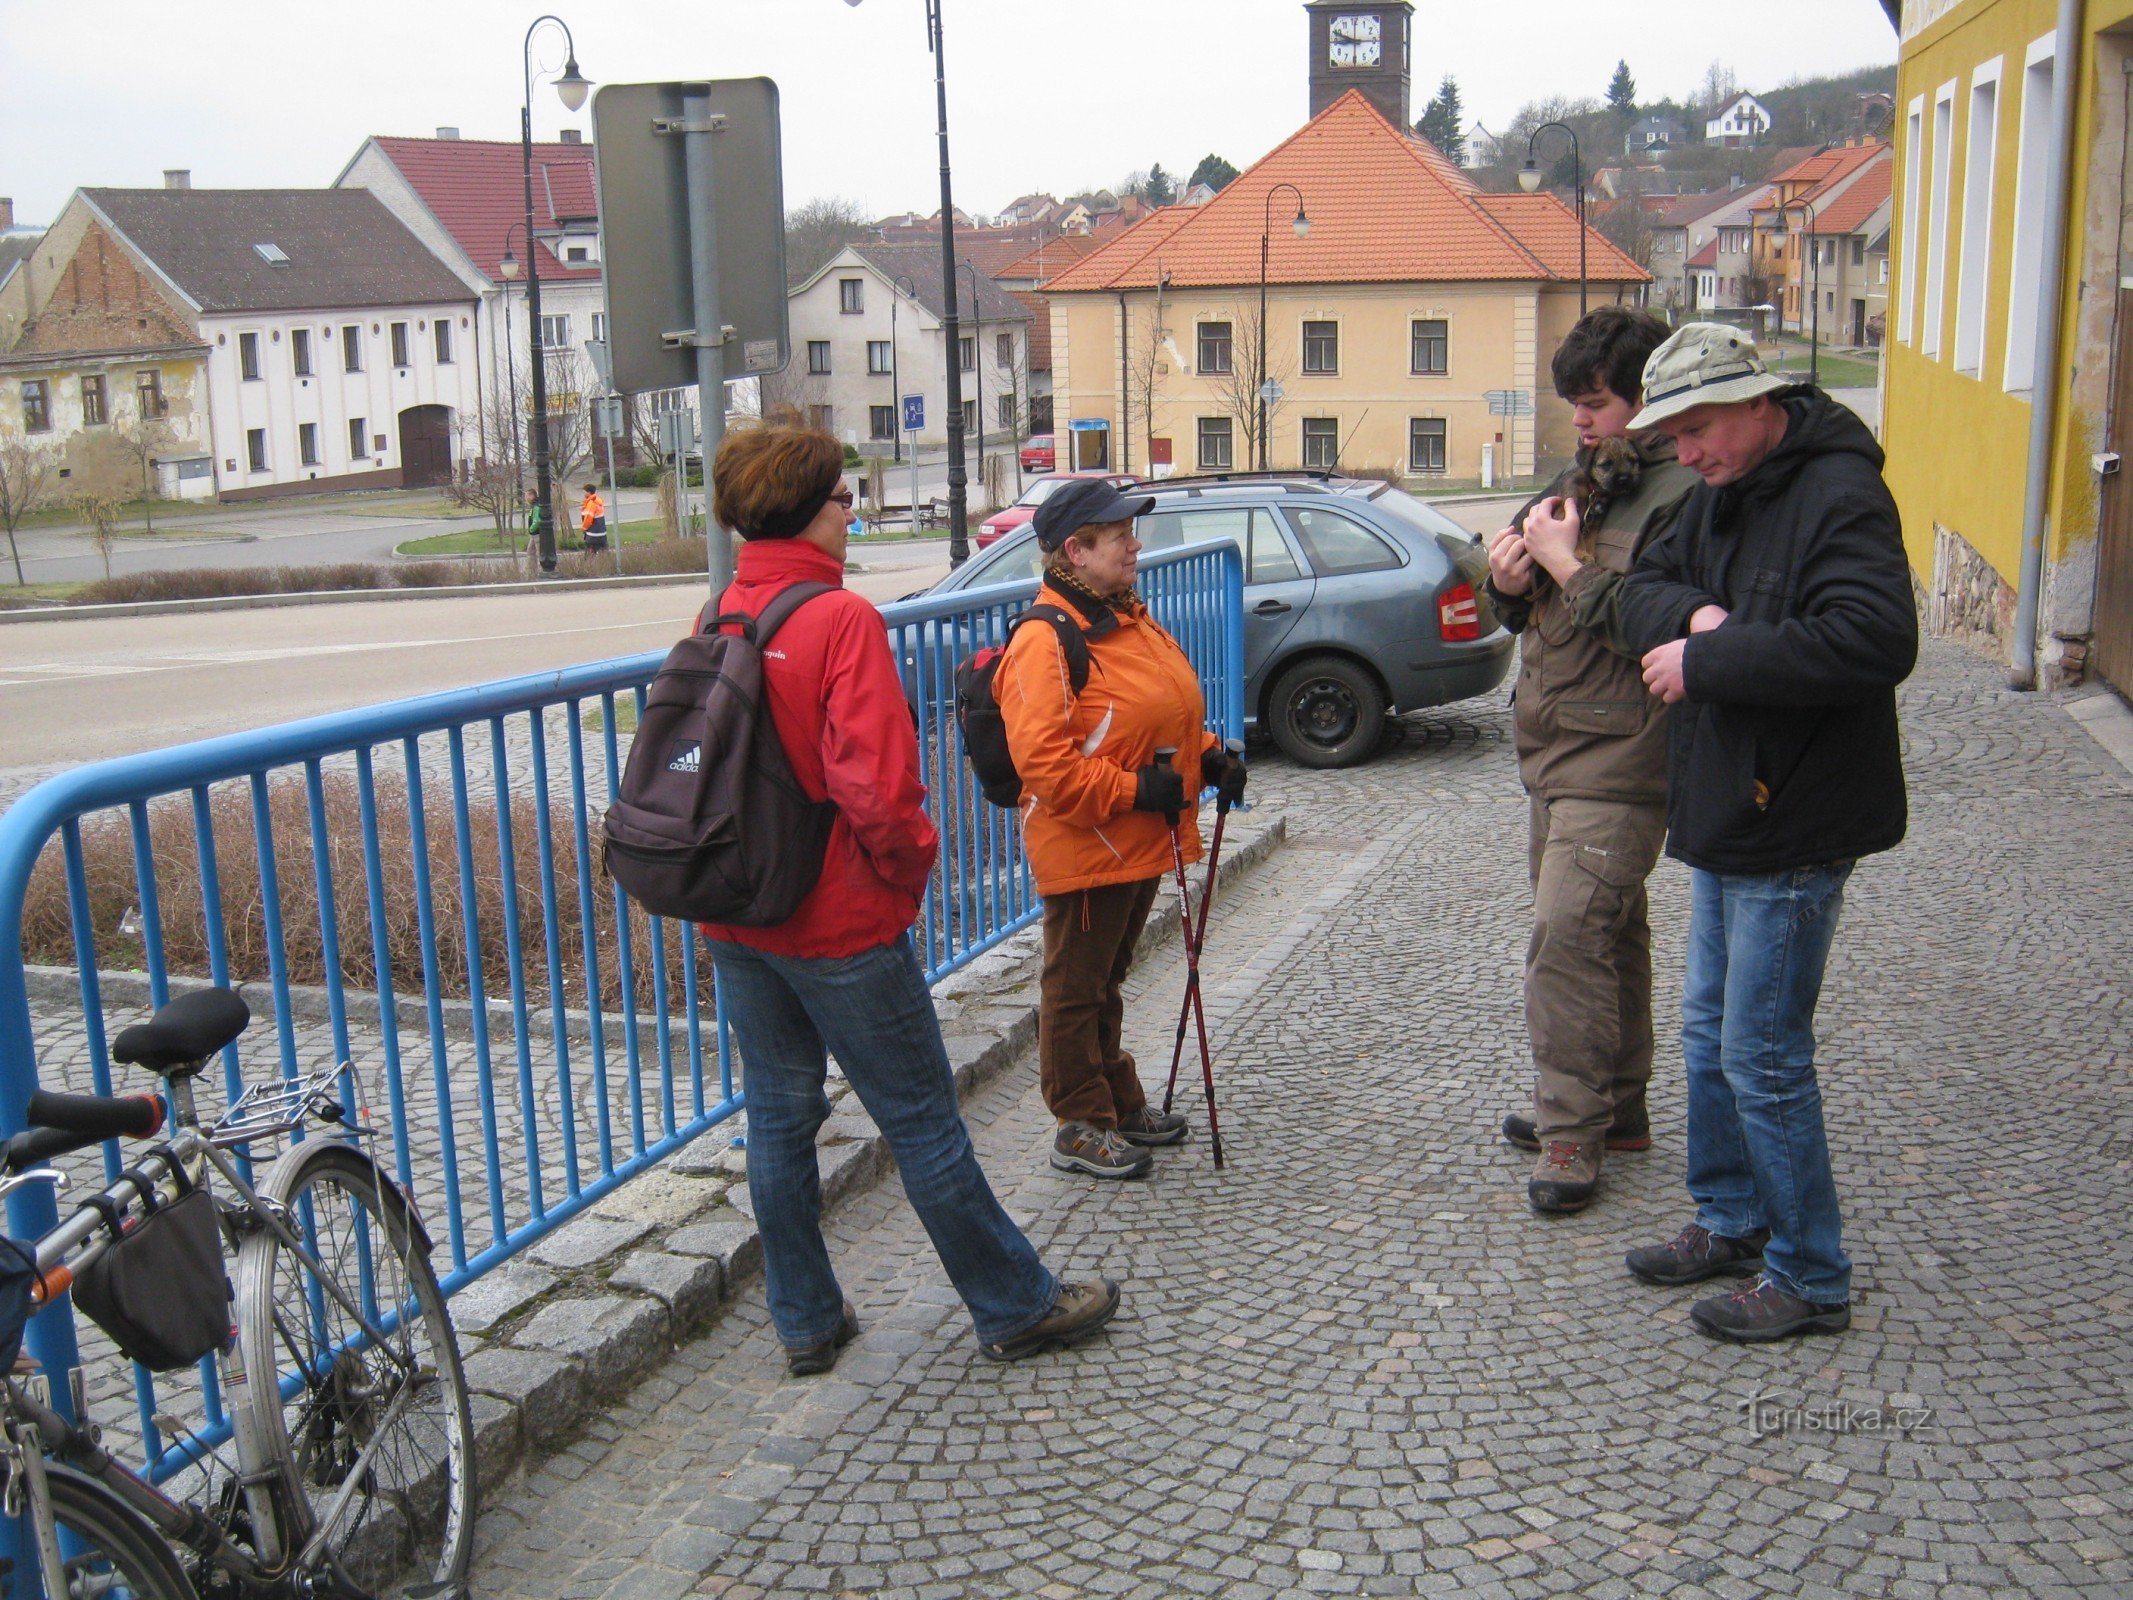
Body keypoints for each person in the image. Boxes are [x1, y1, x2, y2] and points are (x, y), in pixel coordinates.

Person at [695, 419, 1120, 1371]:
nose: (851, 510)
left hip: (738, 912)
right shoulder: (836, 619)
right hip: (836, 920)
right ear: (806, 511)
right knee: (922, 1119)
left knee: (776, 1115)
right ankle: (1013, 1303)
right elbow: (880, 794)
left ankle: (805, 1321)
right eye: (843, 497)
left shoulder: (722, 611)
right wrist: (906, 874)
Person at [1614, 324, 1916, 1343]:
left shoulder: (1839, 493)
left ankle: (1810, 1272)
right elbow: (1641, 592)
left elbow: (1876, 639)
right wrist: (1698, 618)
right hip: (1724, 810)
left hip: (1798, 818)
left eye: (1696, 430)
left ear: (1756, 403)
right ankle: (1732, 1216)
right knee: (1708, 1037)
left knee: (1764, 1054)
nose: (1685, 455)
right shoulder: (1717, 498)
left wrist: (1712, 662)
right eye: (1673, 438)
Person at [1484, 306, 1699, 1216]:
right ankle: (1622, 1110)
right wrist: (1507, 578)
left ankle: (1570, 1132)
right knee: (1612, 933)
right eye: (1572, 402)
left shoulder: (1686, 495)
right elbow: (1517, 584)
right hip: (1556, 749)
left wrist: (1567, 566)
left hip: (1624, 753)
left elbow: (1655, 621)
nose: (1580, 418)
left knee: (1566, 939)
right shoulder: (1587, 477)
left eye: (1596, 401)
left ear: (1648, 399)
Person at [995, 479, 1247, 1179]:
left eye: (1131, 531)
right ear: (1074, 551)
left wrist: (1207, 755)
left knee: (1106, 976)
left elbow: (1157, 718)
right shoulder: (1044, 640)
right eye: (1118, 536)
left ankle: (1117, 1098)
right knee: (1075, 984)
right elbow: (1045, 765)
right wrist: (1136, 789)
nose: (1135, 544)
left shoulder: (1124, 616)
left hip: (1132, 834)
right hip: (1087, 838)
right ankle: (1078, 1121)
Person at [579, 482, 609, 555]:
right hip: (602, 533)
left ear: (589, 492)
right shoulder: (597, 501)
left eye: (584, 492)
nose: (583, 493)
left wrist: (583, 528)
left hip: (593, 534)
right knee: (605, 556)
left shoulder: (591, 504)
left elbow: (588, 519)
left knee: (589, 557)